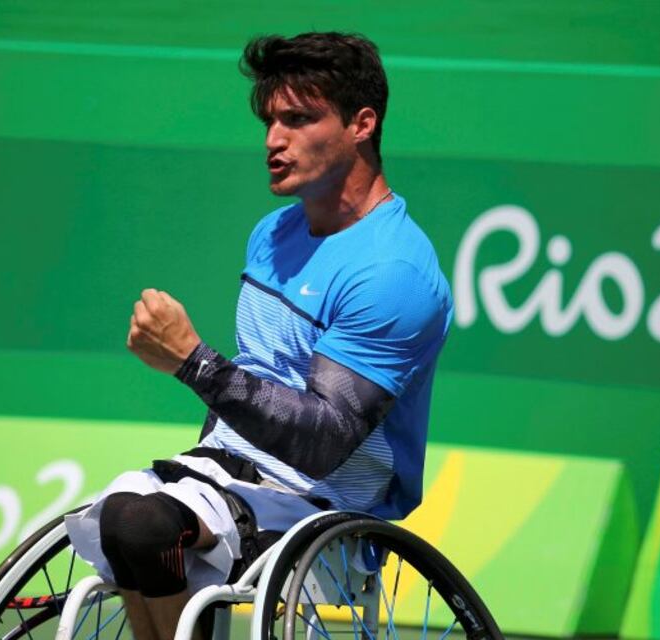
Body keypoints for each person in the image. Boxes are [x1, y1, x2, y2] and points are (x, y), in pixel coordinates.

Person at [64, 31, 453, 640]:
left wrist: (193, 363)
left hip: (324, 508)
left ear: (362, 124)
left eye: (299, 120)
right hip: (230, 479)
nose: (275, 140)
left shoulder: (392, 272)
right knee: (125, 522)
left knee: (143, 528)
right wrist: (200, 463)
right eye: (270, 121)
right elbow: (254, 381)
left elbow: (326, 443)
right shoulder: (274, 233)